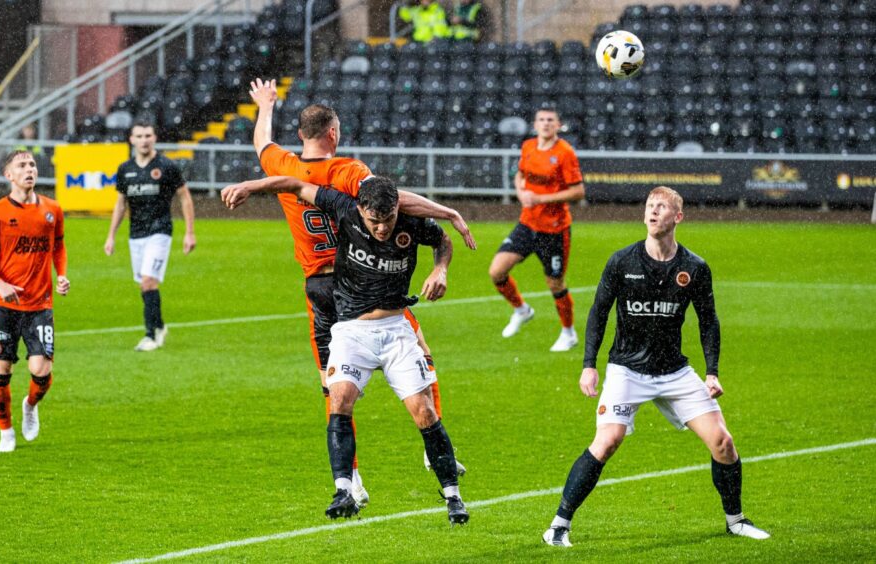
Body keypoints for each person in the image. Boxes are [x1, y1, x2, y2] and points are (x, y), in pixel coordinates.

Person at [243, 78, 474, 507]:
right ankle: (432, 450)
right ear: (334, 133)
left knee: (333, 390)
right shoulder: (347, 172)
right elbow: (388, 201)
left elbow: (261, 142)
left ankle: (352, 482)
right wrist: (448, 212)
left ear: (301, 135)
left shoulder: (283, 165)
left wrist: (266, 104)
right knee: (418, 349)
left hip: (317, 286)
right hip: (360, 286)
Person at [222, 175, 469, 525]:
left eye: (388, 220)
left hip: (396, 330)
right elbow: (295, 185)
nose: (382, 228)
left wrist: (440, 269)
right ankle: (343, 489)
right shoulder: (343, 209)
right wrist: (249, 187)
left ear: (398, 208)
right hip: (352, 332)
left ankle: (453, 497)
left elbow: (443, 241)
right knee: (339, 401)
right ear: (360, 210)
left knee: (424, 412)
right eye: (374, 221)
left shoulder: (413, 223)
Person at [542, 186, 770, 548]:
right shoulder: (622, 261)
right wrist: (589, 365)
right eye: (649, 206)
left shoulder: (694, 267)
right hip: (626, 370)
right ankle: (558, 526)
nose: (652, 211)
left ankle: (736, 520)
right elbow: (598, 312)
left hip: (675, 373)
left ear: (677, 217)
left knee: (723, 442)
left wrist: (712, 372)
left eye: (661, 207)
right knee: (607, 440)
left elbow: (708, 321)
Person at [0, 149, 70, 453]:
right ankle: (6, 433)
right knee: (2, 369)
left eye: (33, 164)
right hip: (4, 306)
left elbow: (58, 248)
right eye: (22, 165)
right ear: (8, 175)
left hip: (40, 306)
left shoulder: (52, 210)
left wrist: (61, 275)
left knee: (41, 371)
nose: (29, 169)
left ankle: (30, 405)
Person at [489, 108, 586, 352]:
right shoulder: (528, 146)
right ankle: (522, 310)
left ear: (558, 125)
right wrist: (521, 193)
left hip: (554, 229)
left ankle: (568, 333)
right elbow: (520, 175)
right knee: (496, 271)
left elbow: (578, 192)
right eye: (541, 120)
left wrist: (541, 199)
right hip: (527, 223)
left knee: (555, 283)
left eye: (550, 120)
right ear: (535, 124)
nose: (545, 124)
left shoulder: (564, 153)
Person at [104, 121, 196, 351]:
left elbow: (185, 198)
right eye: (139, 136)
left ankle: (150, 335)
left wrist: (189, 233)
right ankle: (160, 325)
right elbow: (120, 204)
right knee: (145, 285)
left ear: (154, 138)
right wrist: (111, 236)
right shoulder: (125, 169)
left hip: (160, 231)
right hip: (136, 234)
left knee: (148, 280)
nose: (144, 140)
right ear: (131, 140)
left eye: (148, 135)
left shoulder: (166, 166)